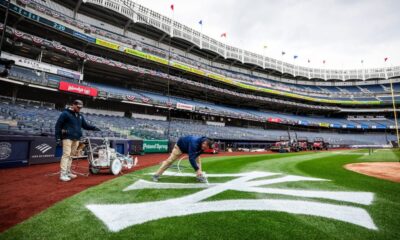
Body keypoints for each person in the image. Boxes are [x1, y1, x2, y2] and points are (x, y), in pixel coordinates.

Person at [55, 100, 100, 182]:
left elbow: (85, 125)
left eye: (80, 108)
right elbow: (58, 126)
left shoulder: (80, 116)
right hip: (67, 137)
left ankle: (68, 172)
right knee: (66, 155)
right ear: (73, 105)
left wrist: (94, 128)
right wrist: (58, 138)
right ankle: (63, 174)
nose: (79, 109)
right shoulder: (65, 113)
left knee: (71, 156)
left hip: (76, 139)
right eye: (78, 107)